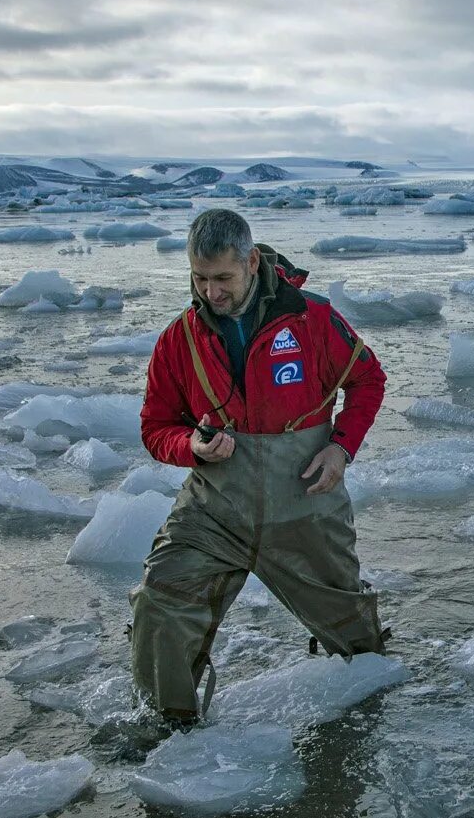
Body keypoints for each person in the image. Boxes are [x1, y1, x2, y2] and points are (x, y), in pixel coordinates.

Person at [129, 208, 388, 734]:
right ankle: (170, 730)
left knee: (354, 637)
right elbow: (156, 428)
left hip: (306, 504)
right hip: (215, 510)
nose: (210, 293)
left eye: (222, 278)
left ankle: (370, 722)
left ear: (251, 261)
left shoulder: (312, 319)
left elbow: (368, 380)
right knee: (162, 600)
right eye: (199, 278)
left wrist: (340, 448)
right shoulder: (179, 340)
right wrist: (192, 447)